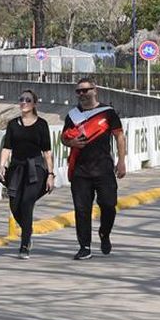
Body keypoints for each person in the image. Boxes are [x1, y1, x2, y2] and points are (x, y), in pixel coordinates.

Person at [61, 78, 126, 260]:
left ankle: (104, 233)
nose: (82, 94)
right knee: (82, 210)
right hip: (80, 171)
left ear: (94, 90)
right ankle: (85, 246)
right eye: (78, 92)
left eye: (85, 90)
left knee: (108, 205)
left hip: (104, 168)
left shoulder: (107, 113)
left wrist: (121, 161)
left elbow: (119, 136)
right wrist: (71, 142)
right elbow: (63, 138)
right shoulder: (72, 115)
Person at [0, 89, 55, 259]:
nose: (23, 102)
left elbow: (47, 152)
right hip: (16, 168)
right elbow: (7, 147)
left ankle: (24, 244)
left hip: (35, 169)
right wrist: (2, 165)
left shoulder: (42, 124)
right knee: (14, 205)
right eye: (21, 99)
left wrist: (50, 174)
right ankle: (27, 231)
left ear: (34, 104)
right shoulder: (13, 124)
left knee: (27, 203)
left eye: (28, 100)